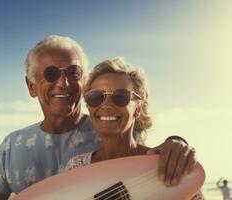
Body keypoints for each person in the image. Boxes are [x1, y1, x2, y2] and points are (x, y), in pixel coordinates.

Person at [0, 35, 197, 200]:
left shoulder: (112, 126)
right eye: (51, 74)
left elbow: (152, 157)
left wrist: (178, 144)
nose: (63, 83)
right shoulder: (12, 147)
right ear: (31, 86)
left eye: (73, 73)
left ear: (82, 83)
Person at [65, 58, 204, 199]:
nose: (106, 105)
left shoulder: (166, 164)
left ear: (137, 109)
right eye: (96, 97)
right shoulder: (77, 166)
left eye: (120, 97)